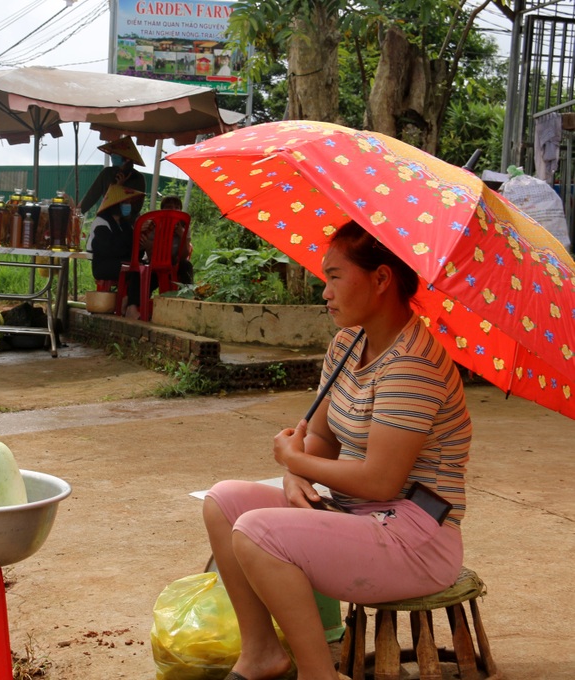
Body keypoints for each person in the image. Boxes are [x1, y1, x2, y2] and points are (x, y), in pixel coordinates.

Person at [202, 221, 471, 680]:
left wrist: (293, 460)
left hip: (415, 536)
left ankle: (318, 675)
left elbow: (381, 481)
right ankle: (261, 653)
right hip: (358, 515)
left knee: (256, 531)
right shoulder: (350, 342)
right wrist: (296, 477)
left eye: (335, 276)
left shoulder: (413, 365)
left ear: (381, 279)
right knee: (223, 502)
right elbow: (323, 439)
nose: (324, 292)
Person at [85, 184, 144, 303]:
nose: (129, 205)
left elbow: (132, 248)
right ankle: (130, 304)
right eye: (125, 202)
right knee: (136, 270)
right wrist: (131, 247)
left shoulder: (124, 224)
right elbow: (110, 249)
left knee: (145, 268)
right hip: (104, 266)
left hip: (123, 262)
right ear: (116, 204)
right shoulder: (100, 222)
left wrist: (141, 242)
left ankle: (131, 302)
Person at [79, 136, 147, 227]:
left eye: (115, 154)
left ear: (127, 159)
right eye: (112, 153)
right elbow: (91, 196)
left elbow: (136, 208)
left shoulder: (138, 178)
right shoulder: (107, 173)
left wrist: (119, 189)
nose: (112, 156)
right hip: (106, 220)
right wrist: (77, 213)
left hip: (128, 224)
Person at [138, 195, 194, 285]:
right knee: (143, 274)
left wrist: (183, 237)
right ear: (162, 210)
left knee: (186, 266)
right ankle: (139, 298)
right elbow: (142, 247)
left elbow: (184, 256)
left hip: (174, 263)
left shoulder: (184, 226)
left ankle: (188, 295)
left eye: (177, 207)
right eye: (169, 207)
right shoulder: (152, 224)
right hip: (153, 262)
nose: (173, 210)